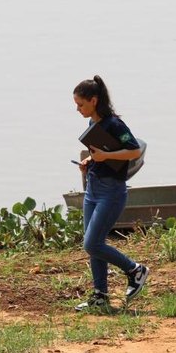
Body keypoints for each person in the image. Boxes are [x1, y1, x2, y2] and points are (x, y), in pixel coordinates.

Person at [73, 75, 149, 311]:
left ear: (94, 100)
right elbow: (101, 153)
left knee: (91, 244)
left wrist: (105, 157)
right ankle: (100, 295)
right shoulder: (92, 125)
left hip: (111, 192)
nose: (78, 109)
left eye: (81, 105)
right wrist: (89, 161)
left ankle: (135, 270)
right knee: (94, 243)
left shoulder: (114, 124)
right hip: (93, 190)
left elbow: (134, 150)